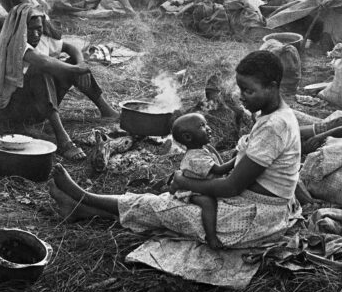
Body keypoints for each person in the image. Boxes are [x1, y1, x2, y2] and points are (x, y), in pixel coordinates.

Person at [46, 50, 302, 250]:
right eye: (240, 88)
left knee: (165, 207)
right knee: (166, 205)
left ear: (272, 85)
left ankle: (83, 197)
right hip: (253, 203)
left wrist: (182, 181)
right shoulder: (272, 117)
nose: (241, 96)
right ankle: (82, 209)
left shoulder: (275, 126)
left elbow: (231, 187)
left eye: (249, 90)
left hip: (254, 218)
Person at [0, 4, 120, 160]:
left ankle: (106, 110)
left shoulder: (40, 39)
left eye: (39, 28)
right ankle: (63, 140)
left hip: (38, 105)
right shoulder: (12, 43)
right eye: (30, 29)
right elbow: (43, 62)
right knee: (41, 71)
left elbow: (71, 47)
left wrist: (79, 64)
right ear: (20, 29)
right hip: (12, 110)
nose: (37, 34)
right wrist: (79, 69)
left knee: (69, 64)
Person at [171, 113, 236, 249]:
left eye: (206, 124)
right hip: (193, 190)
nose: (208, 128)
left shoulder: (202, 149)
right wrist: (239, 157)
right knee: (208, 203)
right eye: (202, 126)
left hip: (203, 184)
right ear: (188, 137)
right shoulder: (195, 157)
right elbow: (219, 169)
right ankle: (211, 237)